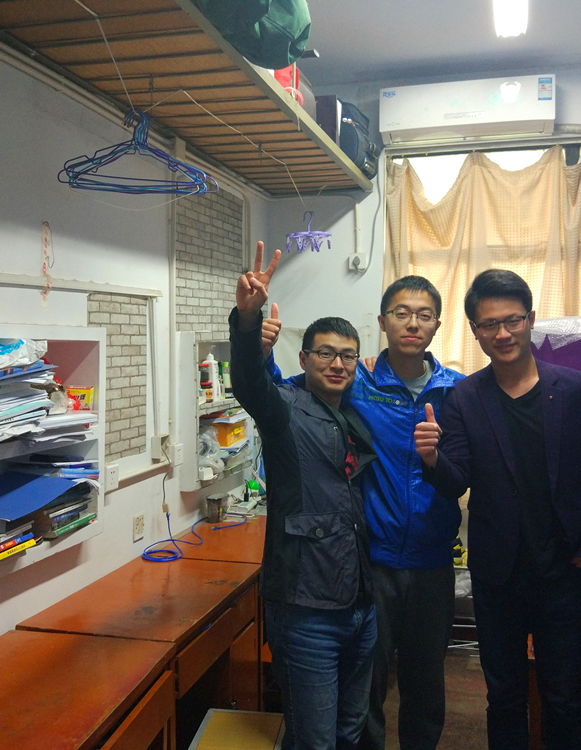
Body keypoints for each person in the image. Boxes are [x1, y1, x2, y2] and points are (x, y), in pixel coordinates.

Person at [414, 269, 581, 750]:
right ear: (475, 331)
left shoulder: (576, 388)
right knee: (505, 698)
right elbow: (456, 481)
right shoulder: (465, 397)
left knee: (563, 697)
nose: (503, 333)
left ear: (530, 319)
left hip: (561, 568)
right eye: (489, 324)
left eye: (512, 320)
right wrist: (431, 459)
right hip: (498, 575)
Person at [262, 276, 464, 750]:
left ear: (437, 325)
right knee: (366, 687)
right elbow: (287, 396)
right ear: (382, 321)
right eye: (401, 313)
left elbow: (466, 469)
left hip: (433, 560)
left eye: (424, 315)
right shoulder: (360, 380)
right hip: (371, 563)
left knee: (425, 685)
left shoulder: (457, 391)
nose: (412, 323)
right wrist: (259, 347)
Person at [231, 241, 378, 750]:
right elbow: (249, 383)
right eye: (325, 353)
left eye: (347, 356)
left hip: (360, 604)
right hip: (305, 608)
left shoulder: (355, 414)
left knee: (349, 729)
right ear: (304, 358)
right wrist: (247, 323)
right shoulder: (284, 408)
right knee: (314, 740)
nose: (337, 364)